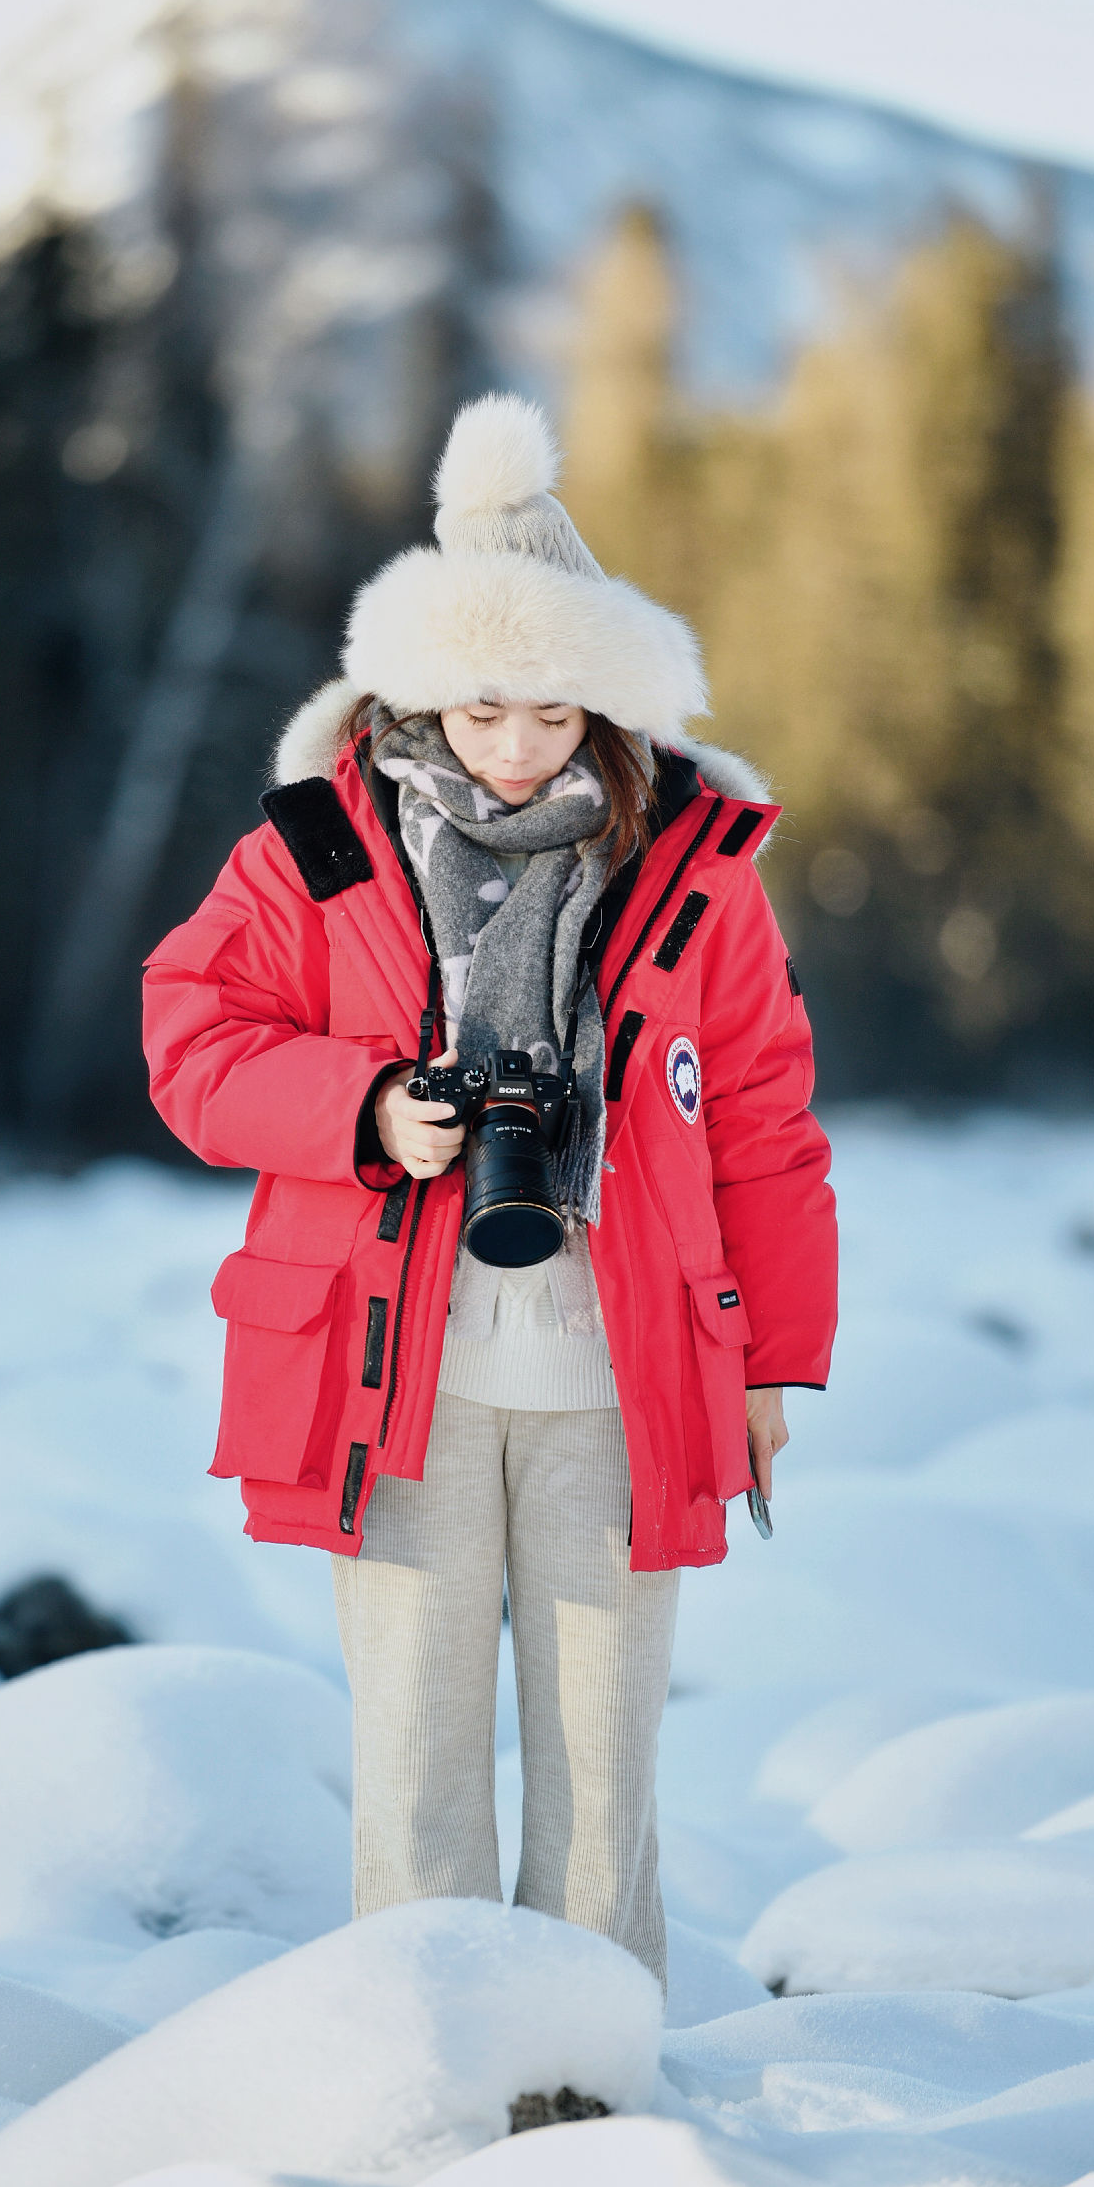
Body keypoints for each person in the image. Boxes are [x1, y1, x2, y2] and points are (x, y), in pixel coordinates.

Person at [143, 394, 837, 1987]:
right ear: (416, 693)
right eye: (475, 712)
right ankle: (432, 2063)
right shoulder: (318, 849)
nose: (514, 748)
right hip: (393, 1367)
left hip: (626, 1367)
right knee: (415, 1764)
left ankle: (590, 2099)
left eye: (548, 711)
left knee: (605, 1782)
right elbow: (188, 1038)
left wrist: (778, 1362)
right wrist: (369, 1107)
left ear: (605, 705)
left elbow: (765, 1119)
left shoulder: (697, 869)